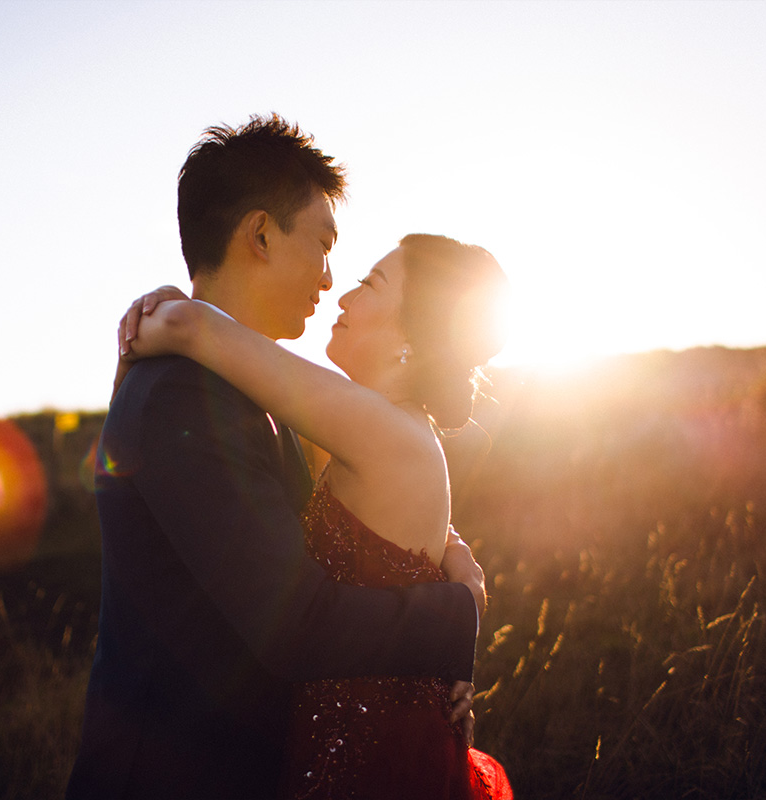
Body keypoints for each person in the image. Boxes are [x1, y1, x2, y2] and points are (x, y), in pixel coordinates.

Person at [65, 116, 484, 800]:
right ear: (260, 235)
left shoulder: (254, 392)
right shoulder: (182, 400)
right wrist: (452, 615)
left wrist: (446, 549)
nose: (331, 279)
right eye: (323, 245)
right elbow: (296, 627)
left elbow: (358, 490)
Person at [118, 233, 513, 798]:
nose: (344, 296)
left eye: (370, 284)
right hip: (339, 736)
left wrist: (158, 315)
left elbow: (190, 331)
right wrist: (457, 565)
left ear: (413, 336)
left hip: (368, 755)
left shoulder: (386, 432)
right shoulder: (372, 425)